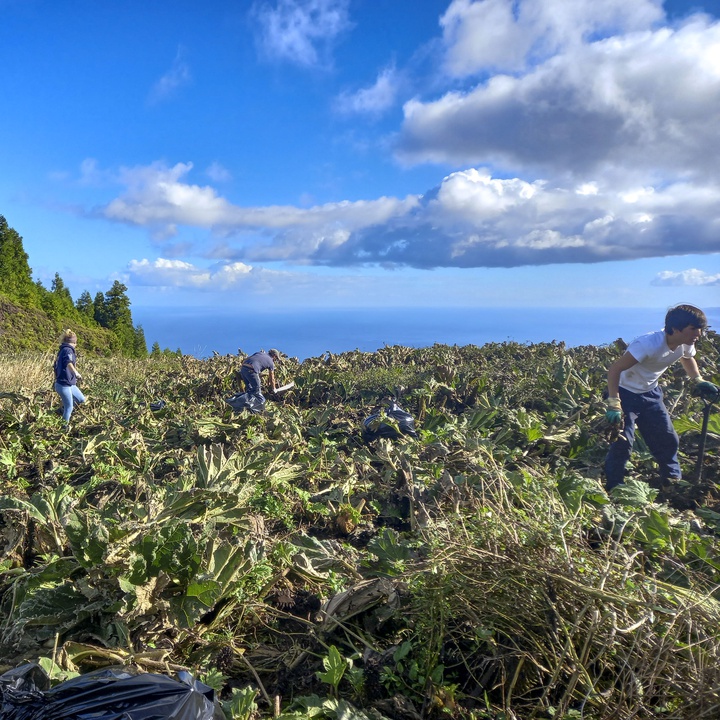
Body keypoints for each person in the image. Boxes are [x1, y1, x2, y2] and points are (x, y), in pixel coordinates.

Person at [603, 305, 718, 491]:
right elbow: (615, 370)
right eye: (694, 328)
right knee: (623, 443)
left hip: (651, 393)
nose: (699, 334)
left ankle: (671, 480)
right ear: (675, 329)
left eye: (701, 329)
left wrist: (697, 379)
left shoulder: (686, 343)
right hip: (625, 393)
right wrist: (614, 402)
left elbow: (687, 358)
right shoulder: (647, 344)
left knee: (668, 438)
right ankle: (615, 486)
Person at [54, 329, 86, 423]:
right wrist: (76, 373)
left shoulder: (62, 350)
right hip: (64, 384)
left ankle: (61, 410)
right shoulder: (68, 350)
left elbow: (55, 366)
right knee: (69, 408)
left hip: (69, 383)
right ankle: (63, 428)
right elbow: (69, 362)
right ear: (74, 342)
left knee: (81, 399)